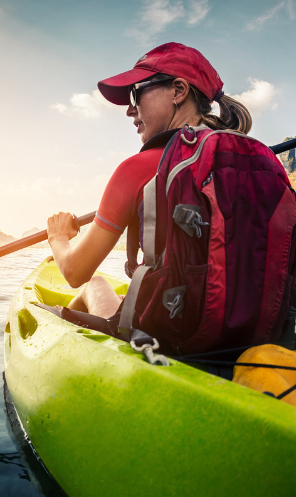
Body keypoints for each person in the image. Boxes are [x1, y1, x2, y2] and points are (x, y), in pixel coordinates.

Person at [47, 42, 252, 322]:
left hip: (167, 332)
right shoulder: (254, 163)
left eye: (137, 93)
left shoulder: (137, 169)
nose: (130, 110)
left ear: (179, 91)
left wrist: (58, 238)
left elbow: (74, 272)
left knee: (93, 284)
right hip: (244, 327)